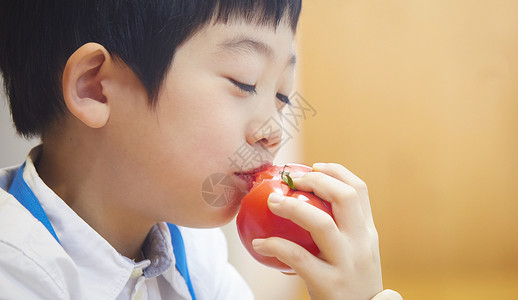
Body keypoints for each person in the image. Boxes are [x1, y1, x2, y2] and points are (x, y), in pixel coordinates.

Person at [0, 1, 401, 299]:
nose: (274, 133)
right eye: (244, 83)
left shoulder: (195, 254)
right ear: (95, 88)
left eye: (281, 95)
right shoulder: (15, 273)